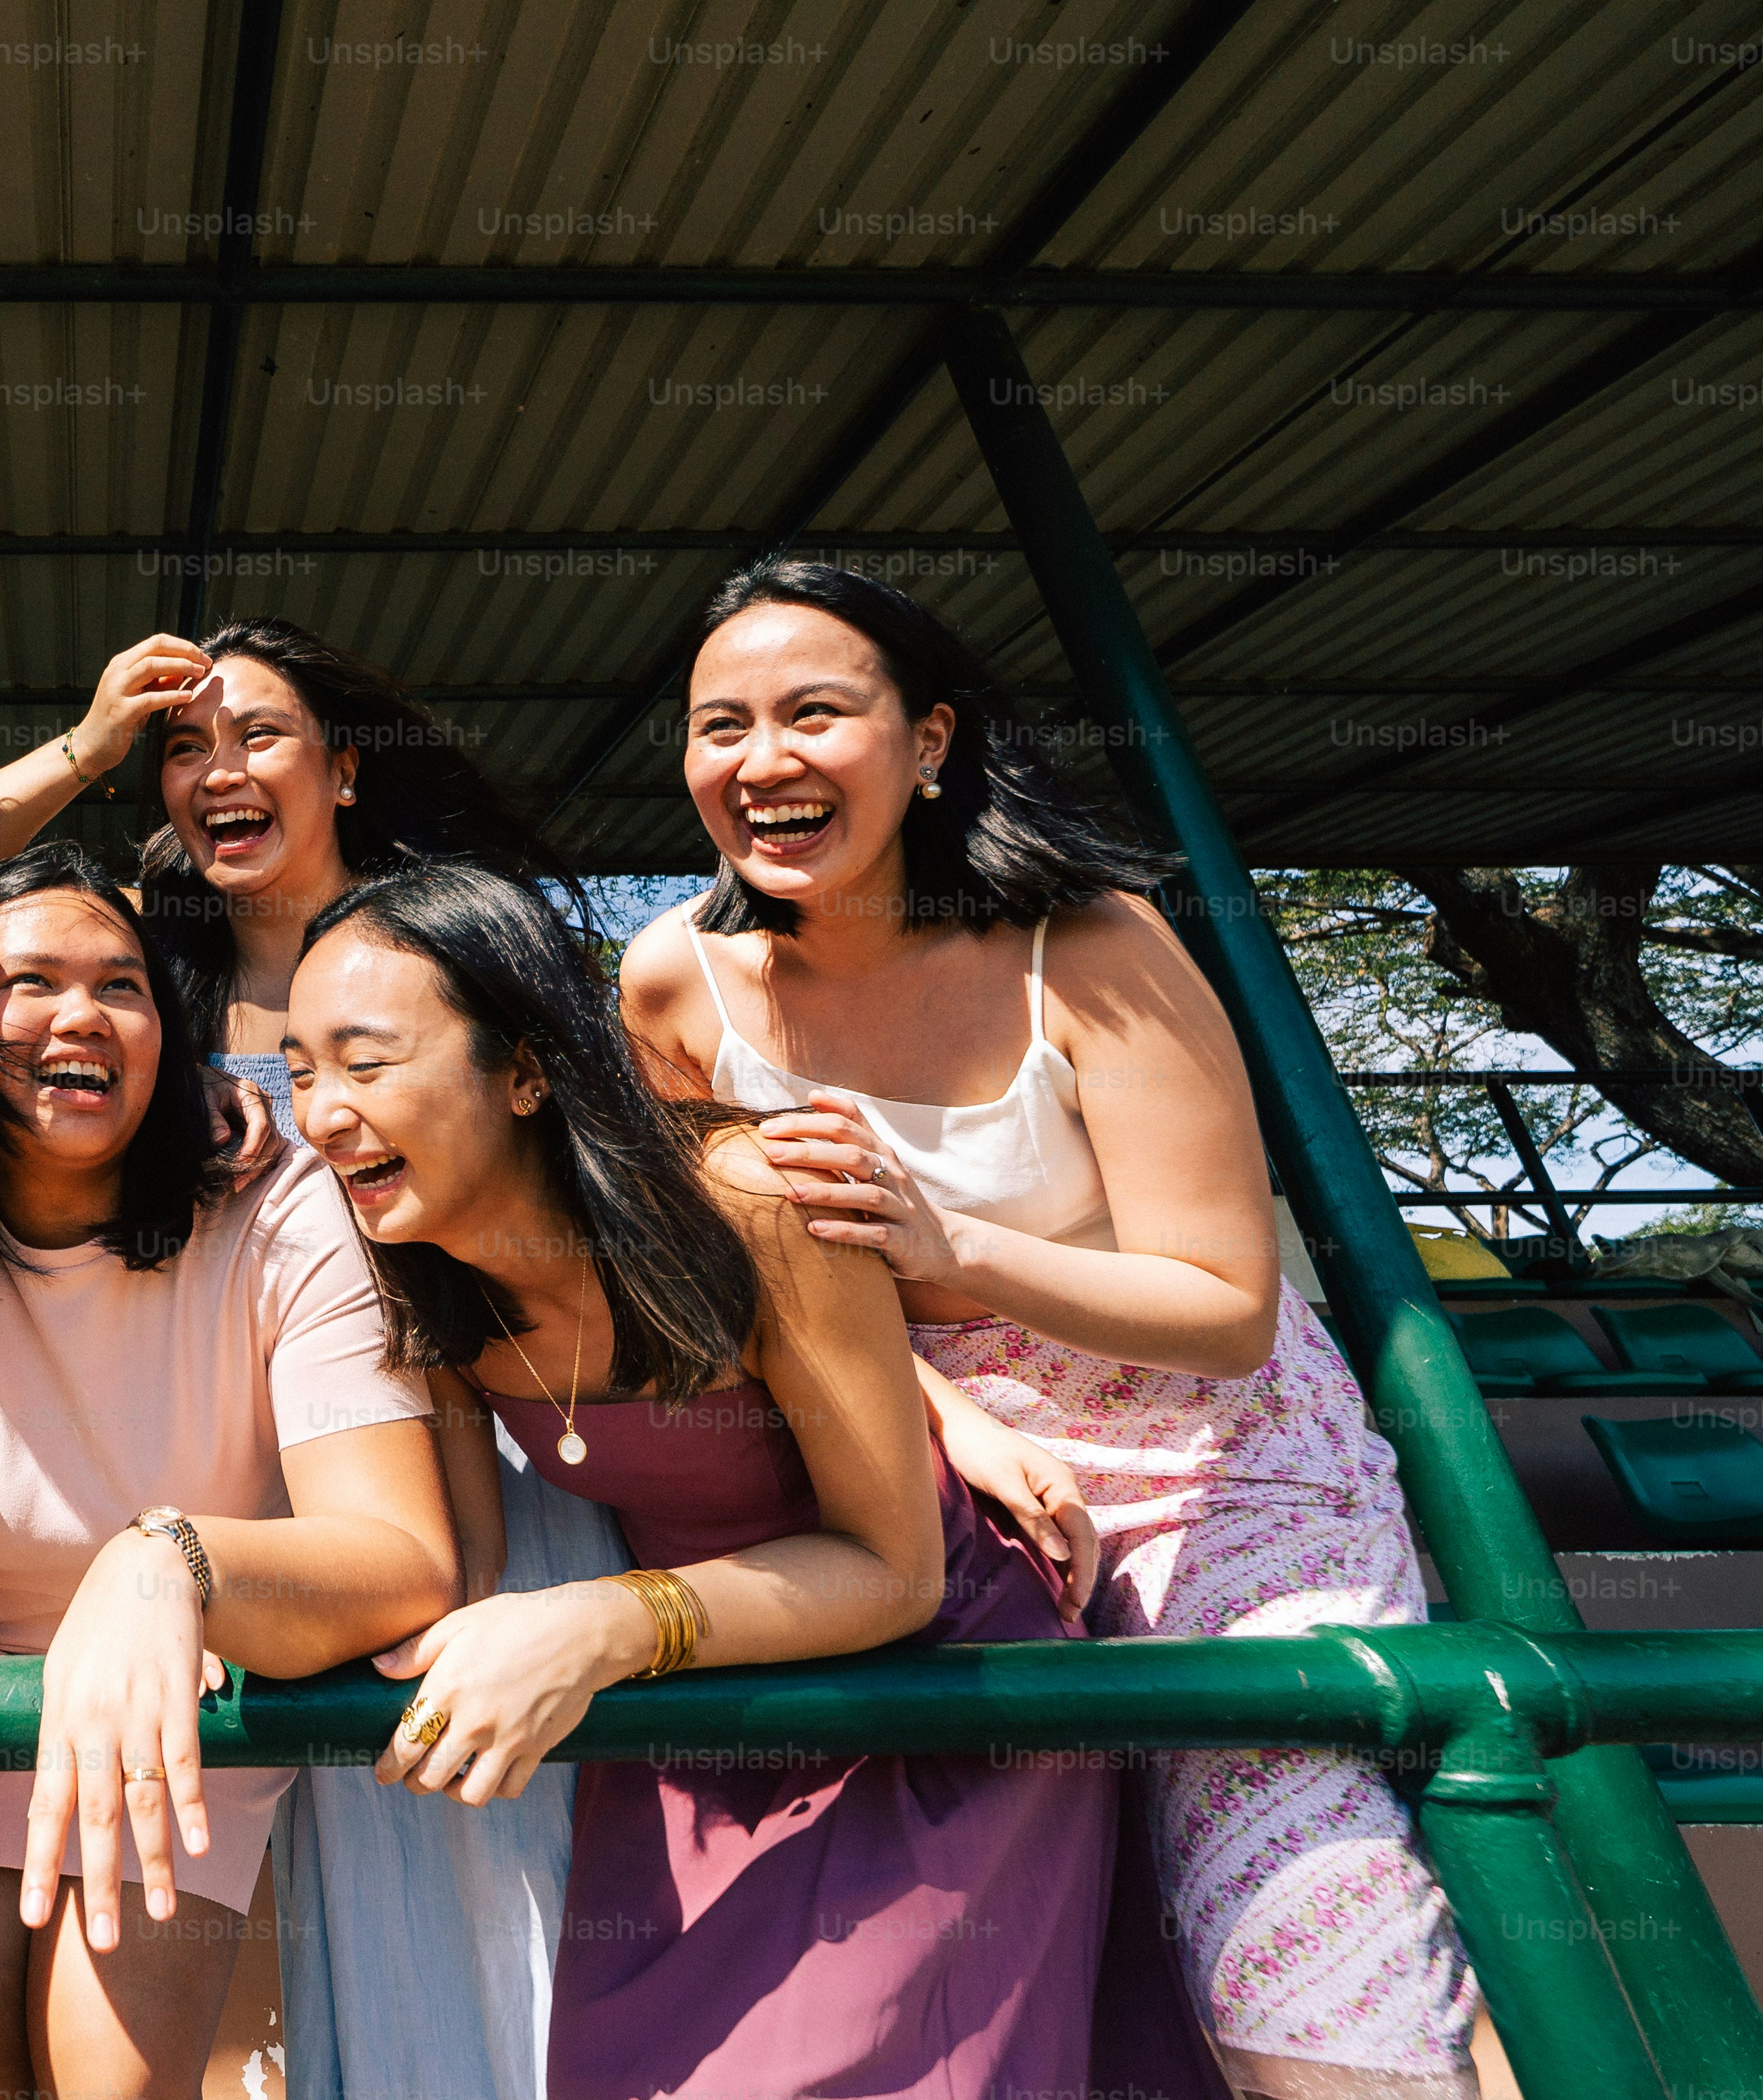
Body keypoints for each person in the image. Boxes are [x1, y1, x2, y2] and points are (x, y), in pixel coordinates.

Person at [620, 559, 1478, 2099]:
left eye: (814, 713)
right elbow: (744, 1293)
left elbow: (1221, 1309)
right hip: (942, 1472)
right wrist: (944, 1412)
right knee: (948, 1924)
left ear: (928, 739)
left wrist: (953, 1244)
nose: (760, 762)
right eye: (717, 725)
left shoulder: (1087, 947)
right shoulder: (676, 981)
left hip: (1219, 1476)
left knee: (1285, 1918)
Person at [284, 861, 1213, 2099]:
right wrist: (182, 1601)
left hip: (922, 1689)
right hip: (701, 1714)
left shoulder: (746, 1199)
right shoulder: (416, 1260)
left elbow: (895, 1572)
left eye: (365, 1062)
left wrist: (609, 1620)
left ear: (523, 1067)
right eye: (296, 1072)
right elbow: (448, 1577)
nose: (321, 1113)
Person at [0, 845, 456, 2098]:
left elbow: (401, 1559)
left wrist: (165, 1560)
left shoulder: (278, 1210)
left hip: (188, 1693)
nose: (83, 1015)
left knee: (104, 2086)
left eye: (123, 986)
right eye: (31, 983)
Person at [140, 618, 625, 2100]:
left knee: (516, 1858)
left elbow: (655, 1200)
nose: (215, 770)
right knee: (348, 1880)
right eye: (176, 745)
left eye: (259, 734)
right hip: (280, 1509)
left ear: (344, 768)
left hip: (505, 1468)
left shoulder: (472, 951)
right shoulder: (140, 998)